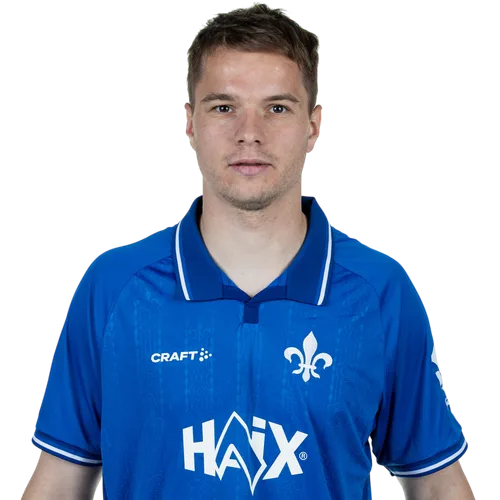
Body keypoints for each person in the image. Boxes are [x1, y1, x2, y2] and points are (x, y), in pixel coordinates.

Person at [21, 2, 475, 499]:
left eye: (277, 108)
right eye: (224, 107)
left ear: (314, 126)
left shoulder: (379, 291)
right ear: (189, 124)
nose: (249, 133)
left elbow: (437, 486)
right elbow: (59, 484)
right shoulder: (113, 287)